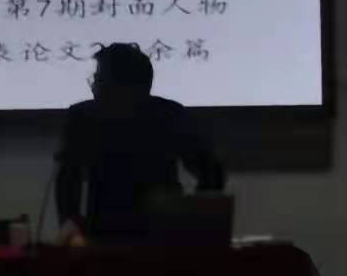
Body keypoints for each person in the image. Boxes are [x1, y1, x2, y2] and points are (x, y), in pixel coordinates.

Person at [55, 43, 224, 243]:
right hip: (122, 233)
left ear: (123, 85)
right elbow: (68, 177)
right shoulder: (169, 114)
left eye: (100, 79)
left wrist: (194, 221)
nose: (93, 85)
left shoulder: (168, 116)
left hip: (150, 235)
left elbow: (211, 172)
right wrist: (71, 223)